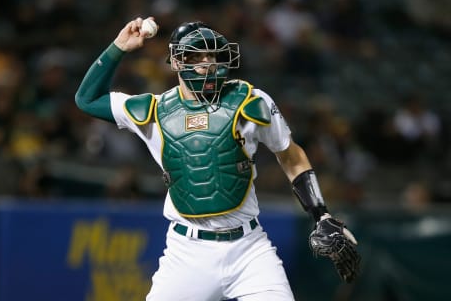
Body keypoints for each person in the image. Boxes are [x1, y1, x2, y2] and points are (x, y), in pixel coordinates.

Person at [75, 17, 360, 301]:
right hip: (187, 252)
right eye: (195, 55)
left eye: (211, 54)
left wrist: (320, 212)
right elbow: (86, 99)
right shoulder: (153, 110)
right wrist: (119, 47)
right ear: (176, 62)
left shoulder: (250, 100)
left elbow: (291, 155)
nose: (206, 62)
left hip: (249, 248)